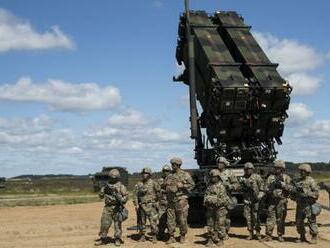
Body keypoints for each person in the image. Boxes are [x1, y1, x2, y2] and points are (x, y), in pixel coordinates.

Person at [165, 157, 195, 244]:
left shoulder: (185, 175)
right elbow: (163, 186)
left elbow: (192, 185)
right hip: (171, 201)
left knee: (182, 220)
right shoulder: (169, 176)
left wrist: (183, 185)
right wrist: (165, 184)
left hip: (181, 200)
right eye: (172, 164)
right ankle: (171, 236)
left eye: (174, 165)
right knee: (170, 220)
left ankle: (182, 236)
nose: (172, 166)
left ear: (178, 165)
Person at [95, 169, 128, 246]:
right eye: (111, 177)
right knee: (104, 224)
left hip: (117, 208)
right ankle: (103, 238)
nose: (113, 179)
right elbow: (100, 196)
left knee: (117, 225)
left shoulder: (121, 186)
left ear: (117, 178)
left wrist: (119, 197)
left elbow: (125, 198)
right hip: (108, 207)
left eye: (114, 177)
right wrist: (102, 191)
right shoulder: (106, 186)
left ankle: (117, 239)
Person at [263, 160, 292, 242]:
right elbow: (265, 187)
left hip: (281, 201)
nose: (276, 169)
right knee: (270, 218)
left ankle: (280, 235)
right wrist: (268, 190)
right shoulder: (270, 177)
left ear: (282, 169)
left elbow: (291, 188)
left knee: (281, 219)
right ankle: (268, 235)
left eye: (278, 168)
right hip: (272, 201)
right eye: (275, 168)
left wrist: (283, 185)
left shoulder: (286, 177)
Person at [292, 163, 320, 244]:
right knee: (298, 222)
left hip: (309, 205)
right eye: (300, 171)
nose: (300, 172)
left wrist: (306, 193)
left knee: (311, 221)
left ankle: (314, 237)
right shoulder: (298, 181)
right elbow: (294, 193)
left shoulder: (311, 181)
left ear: (307, 172)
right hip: (300, 205)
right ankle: (302, 236)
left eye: (302, 171)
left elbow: (316, 194)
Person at [133, 167, 160, 243]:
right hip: (142, 206)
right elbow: (135, 195)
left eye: (146, 173)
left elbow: (159, 193)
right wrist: (136, 204)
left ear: (150, 174)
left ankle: (154, 236)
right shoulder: (139, 184)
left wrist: (157, 202)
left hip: (151, 205)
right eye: (143, 173)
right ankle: (142, 236)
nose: (144, 175)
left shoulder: (154, 183)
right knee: (142, 222)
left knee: (153, 222)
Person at [204, 169, 229, 247]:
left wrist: (213, 200)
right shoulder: (209, 186)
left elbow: (223, 199)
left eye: (214, 177)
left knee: (220, 224)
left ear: (218, 177)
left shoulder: (222, 187)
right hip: (211, 209)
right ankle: (210, 239)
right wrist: (208, 200)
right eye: (211, 177)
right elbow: (205, 197)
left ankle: (221, 239)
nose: (213, 178)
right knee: (210, 224)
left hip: (220, 209)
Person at [240, 162, 264, 240]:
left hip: (256, 201)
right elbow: (240, 190)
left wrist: (259, 197)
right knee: (248, 217)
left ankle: (258, 233)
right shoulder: (243, 178)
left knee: (256, 217)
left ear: (252, 169)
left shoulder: (257, 177)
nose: (247, 171)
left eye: (249, 169)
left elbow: (262, 189)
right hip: (247, 201)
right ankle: (250, 233)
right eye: (246, 169)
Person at [216, 156, 239, 239]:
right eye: (218, 163)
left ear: (225, 164)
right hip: (216, 198)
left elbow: (236, 185)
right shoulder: (214, 172)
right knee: (216, 217)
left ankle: (225, 232)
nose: (219, 164)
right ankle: (218, 233)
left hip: (226, 197)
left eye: (221, 163)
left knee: (226, 217)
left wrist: (230, 186)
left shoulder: (229, 173)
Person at [157, 164, 172, 240]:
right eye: (164, 171)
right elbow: (158, 190)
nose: (165, 172)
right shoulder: (160, 180)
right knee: (161, 219)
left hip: (171, 203)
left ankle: (170, 235)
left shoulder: (173, 179)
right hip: (162, 202)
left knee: (171, 220)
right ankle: (161, 234)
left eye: (167, 171)